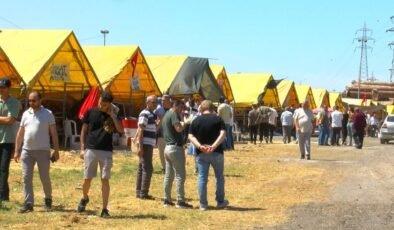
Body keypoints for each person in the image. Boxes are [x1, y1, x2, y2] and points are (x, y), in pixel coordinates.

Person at [77, 92, 123, 218]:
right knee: (87, 179)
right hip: (90, 149)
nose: (102, 106)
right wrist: (82, 148)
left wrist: (113, 116)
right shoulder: (90, 112)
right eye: (101, 103)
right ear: (99, 100)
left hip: (106, 150)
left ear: (110, 104)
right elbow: (83, 130)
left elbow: (120, 130)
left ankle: (104, 209)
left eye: (105, 105)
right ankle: (84, 198)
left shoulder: (114, 114)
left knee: (105, 179)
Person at [13, 91, 59, 213]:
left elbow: (54, 133)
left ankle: (48, 199)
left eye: (33, 100)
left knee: (44, 177)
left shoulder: (48, 114)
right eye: (29, 100)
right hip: (27, 151)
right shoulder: (25, 114)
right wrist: (17, 150)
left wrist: (56, 150)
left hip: (43, 151)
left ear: (40, 100)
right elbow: (20, 133)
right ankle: (28, 203)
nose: (31, 103)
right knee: (26, 177)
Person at [188, 100, 228, 211]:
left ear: (201, 108)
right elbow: (223, 134)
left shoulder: (196, 120)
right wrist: (214, 146)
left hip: (201, 153)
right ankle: (220, 202)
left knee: (202, 178)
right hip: (217, 152)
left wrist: (200, 146)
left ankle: (203, 204)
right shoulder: (218, 119)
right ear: (212, 108)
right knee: (219, 176)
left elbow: (190, 136)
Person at [162, 99, 193, 208]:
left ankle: (166, 199)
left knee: (168, 175)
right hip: (175, 148)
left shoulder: (166, 115)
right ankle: (180, 200)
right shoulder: (173, 114)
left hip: (167, 148)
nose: (182, 110)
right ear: (176, 106)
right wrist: (186, 122)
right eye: (181, 107)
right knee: (180, 175)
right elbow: (178, 128)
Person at [0, 78, 21, 203]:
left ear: (9, 88)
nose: (1, 90)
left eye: (3, 87)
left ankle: (2, 196)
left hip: (7, 140)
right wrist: (4, 119)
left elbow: (11, 120)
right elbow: (6, 119)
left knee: (3, 168)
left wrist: (5, 119)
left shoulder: (15, 103)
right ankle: (5, 195)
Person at [135, 95, 157, 200]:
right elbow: (140, 130)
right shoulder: (145, 114)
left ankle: (139, 191)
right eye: (153, 102)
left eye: (156, 102)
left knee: (142, 167)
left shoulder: (151, 114)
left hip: (148, 144)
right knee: (147, 168)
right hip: (146, 144)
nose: (155, 104)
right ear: (147, 103)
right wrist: (140, 146)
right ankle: (143, 192)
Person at [154, 95, 171, 173]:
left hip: (171, 136)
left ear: (169, 100)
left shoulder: (172, 109)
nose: (162, 102)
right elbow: (155, 119)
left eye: (164, 100)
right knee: (161, 152)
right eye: (162, 100)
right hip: (161, 135)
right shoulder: (158, 110)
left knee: (170, 153)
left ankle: (170, 168)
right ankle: (164, 168)